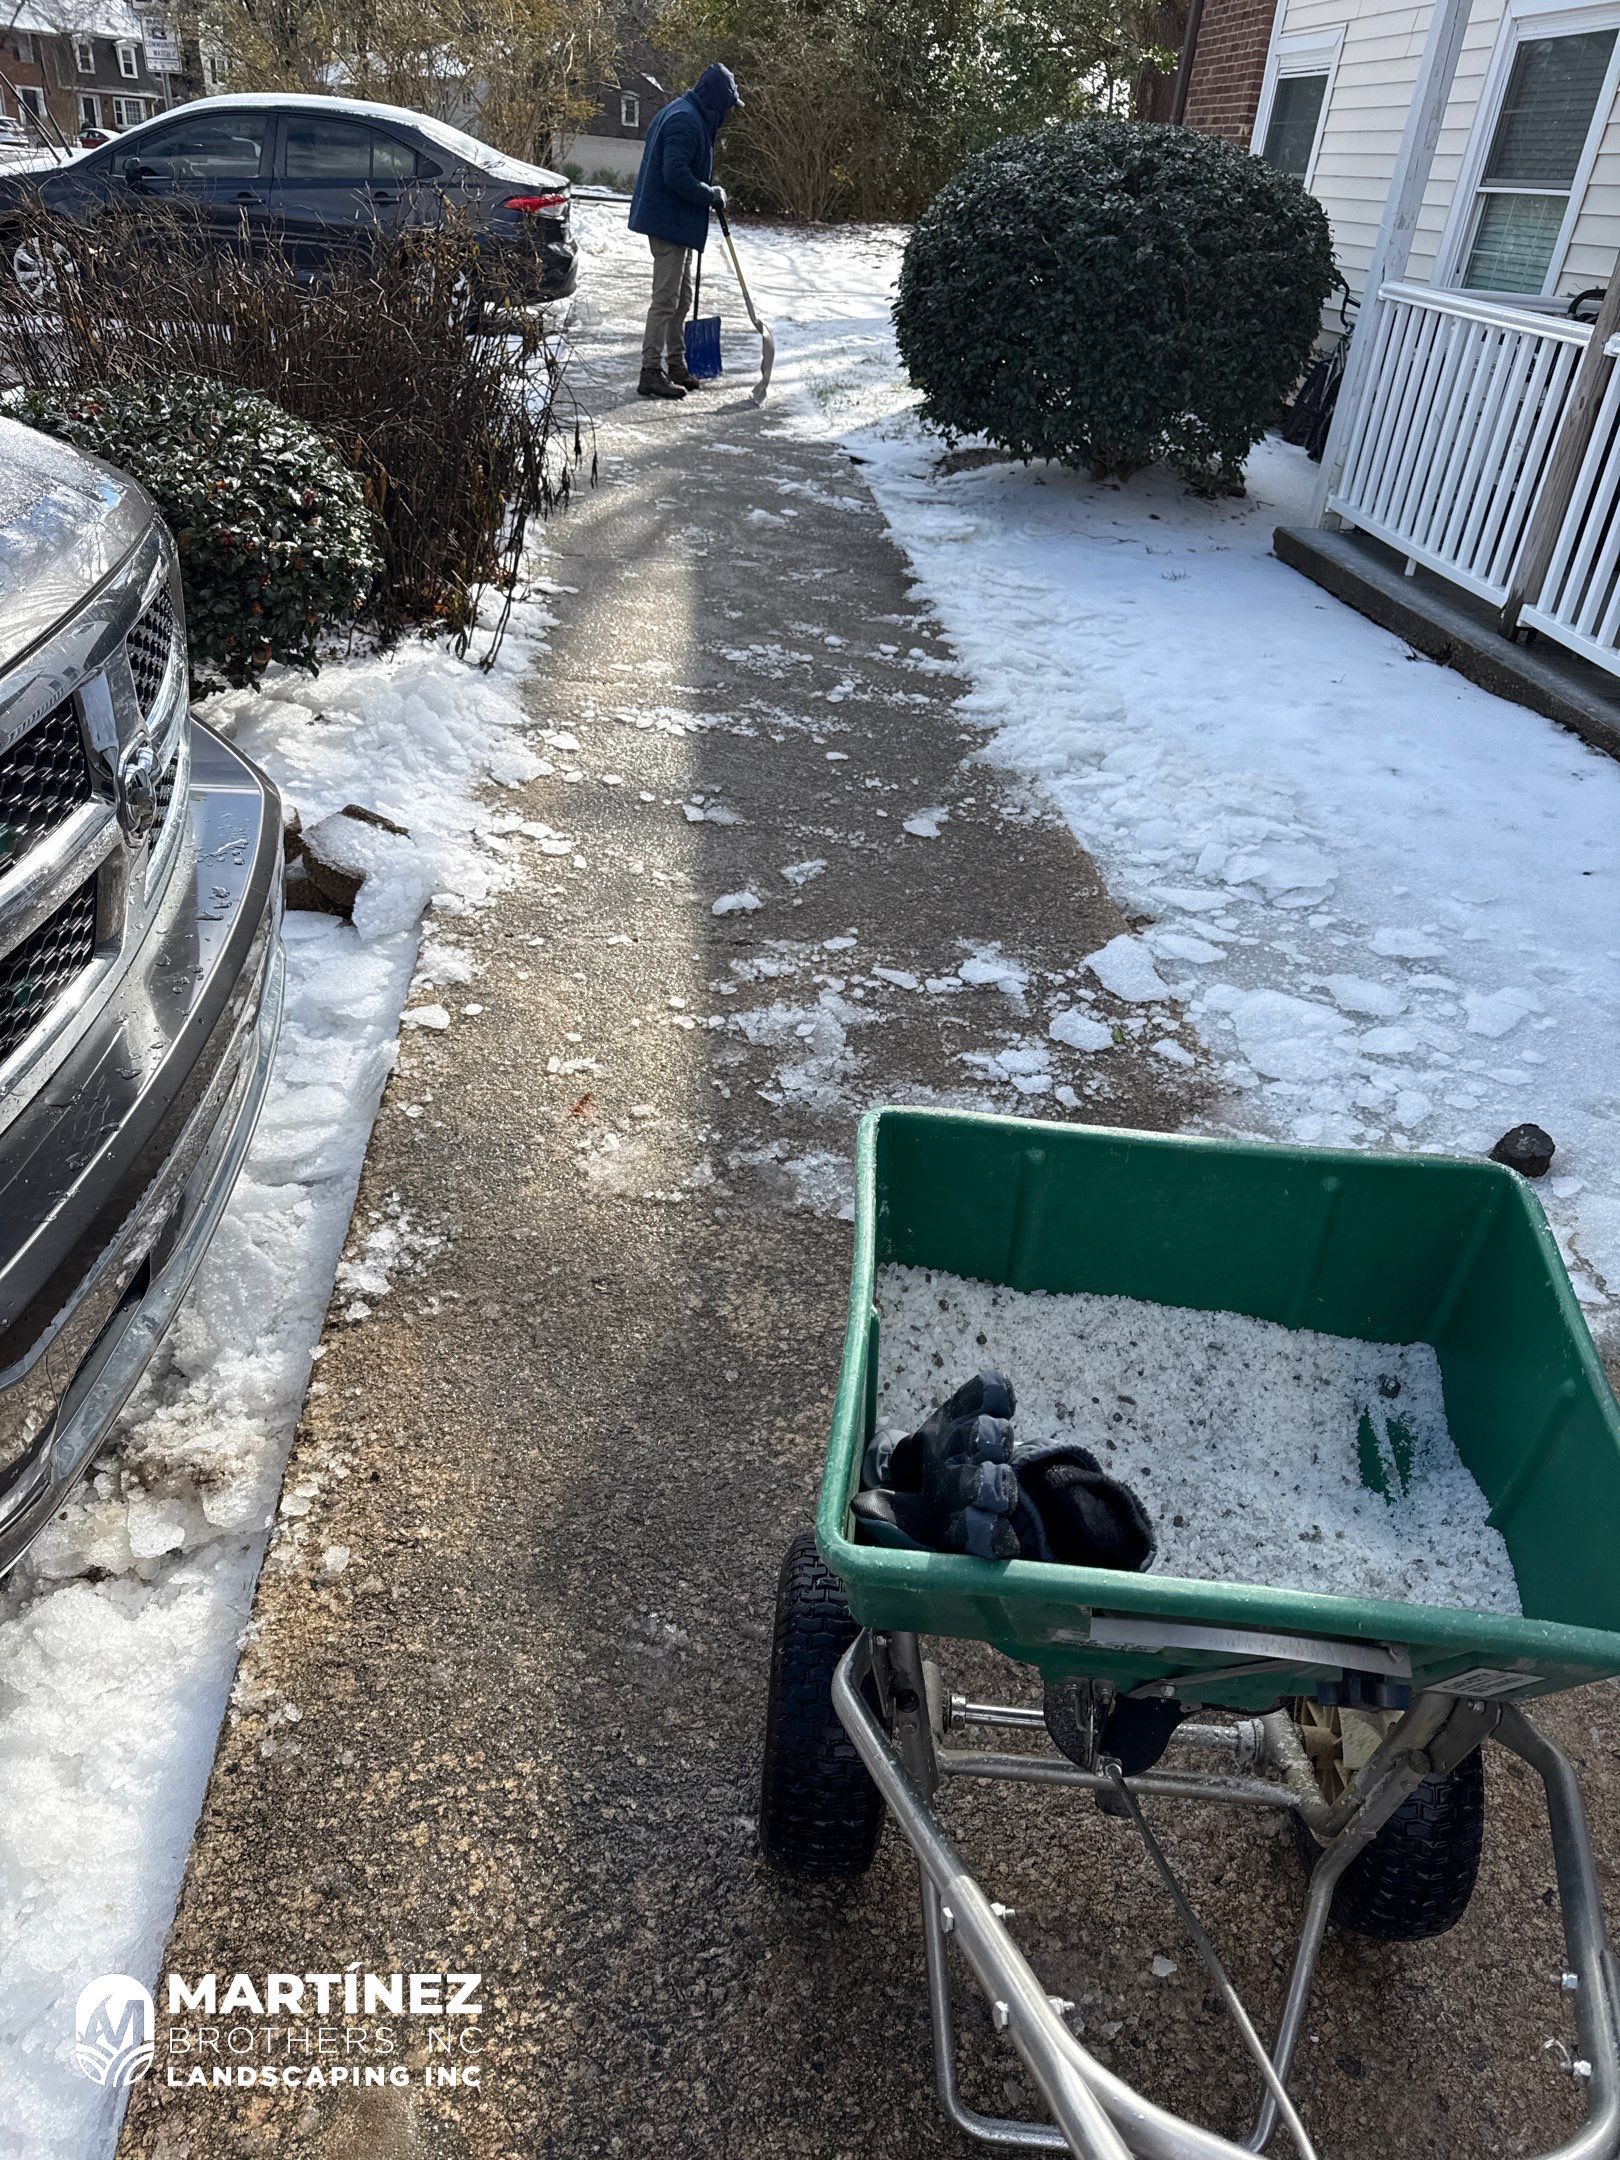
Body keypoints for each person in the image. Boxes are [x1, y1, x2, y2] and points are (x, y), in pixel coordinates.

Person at [626, 63, 743, 400]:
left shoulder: (687, 113)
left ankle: (676, 364)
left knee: (682, 297)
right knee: (665, 300)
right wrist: (710, 194)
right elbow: (674, 174)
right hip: (668, 223)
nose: (728, 114)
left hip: (677, 221)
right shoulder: (684, 120)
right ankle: (651, 371)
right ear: (716, 100)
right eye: (727, 106)